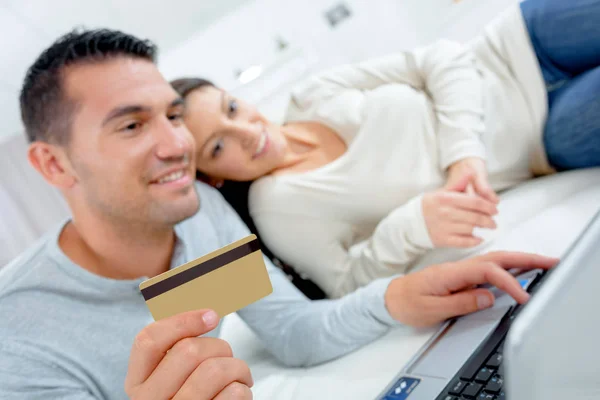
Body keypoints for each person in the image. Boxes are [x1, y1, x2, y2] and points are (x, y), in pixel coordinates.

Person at [0, 28, 558, 400]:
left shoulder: (195, 219)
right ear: (54, 165)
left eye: (172, 115)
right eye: (131, 125)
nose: (177, 144)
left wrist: (403, 294)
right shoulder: (19, 340)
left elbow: (292, 330)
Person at [172, 0, 600, 299]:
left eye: (231, 108)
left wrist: (462, 155)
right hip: (543, 135)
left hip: (515, 43)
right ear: (214, 177)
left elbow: (442, 58)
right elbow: (346, 284)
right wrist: (412, 224)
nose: (244, 130)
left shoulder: (311, 95)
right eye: (218, 145)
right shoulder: (280, 208)